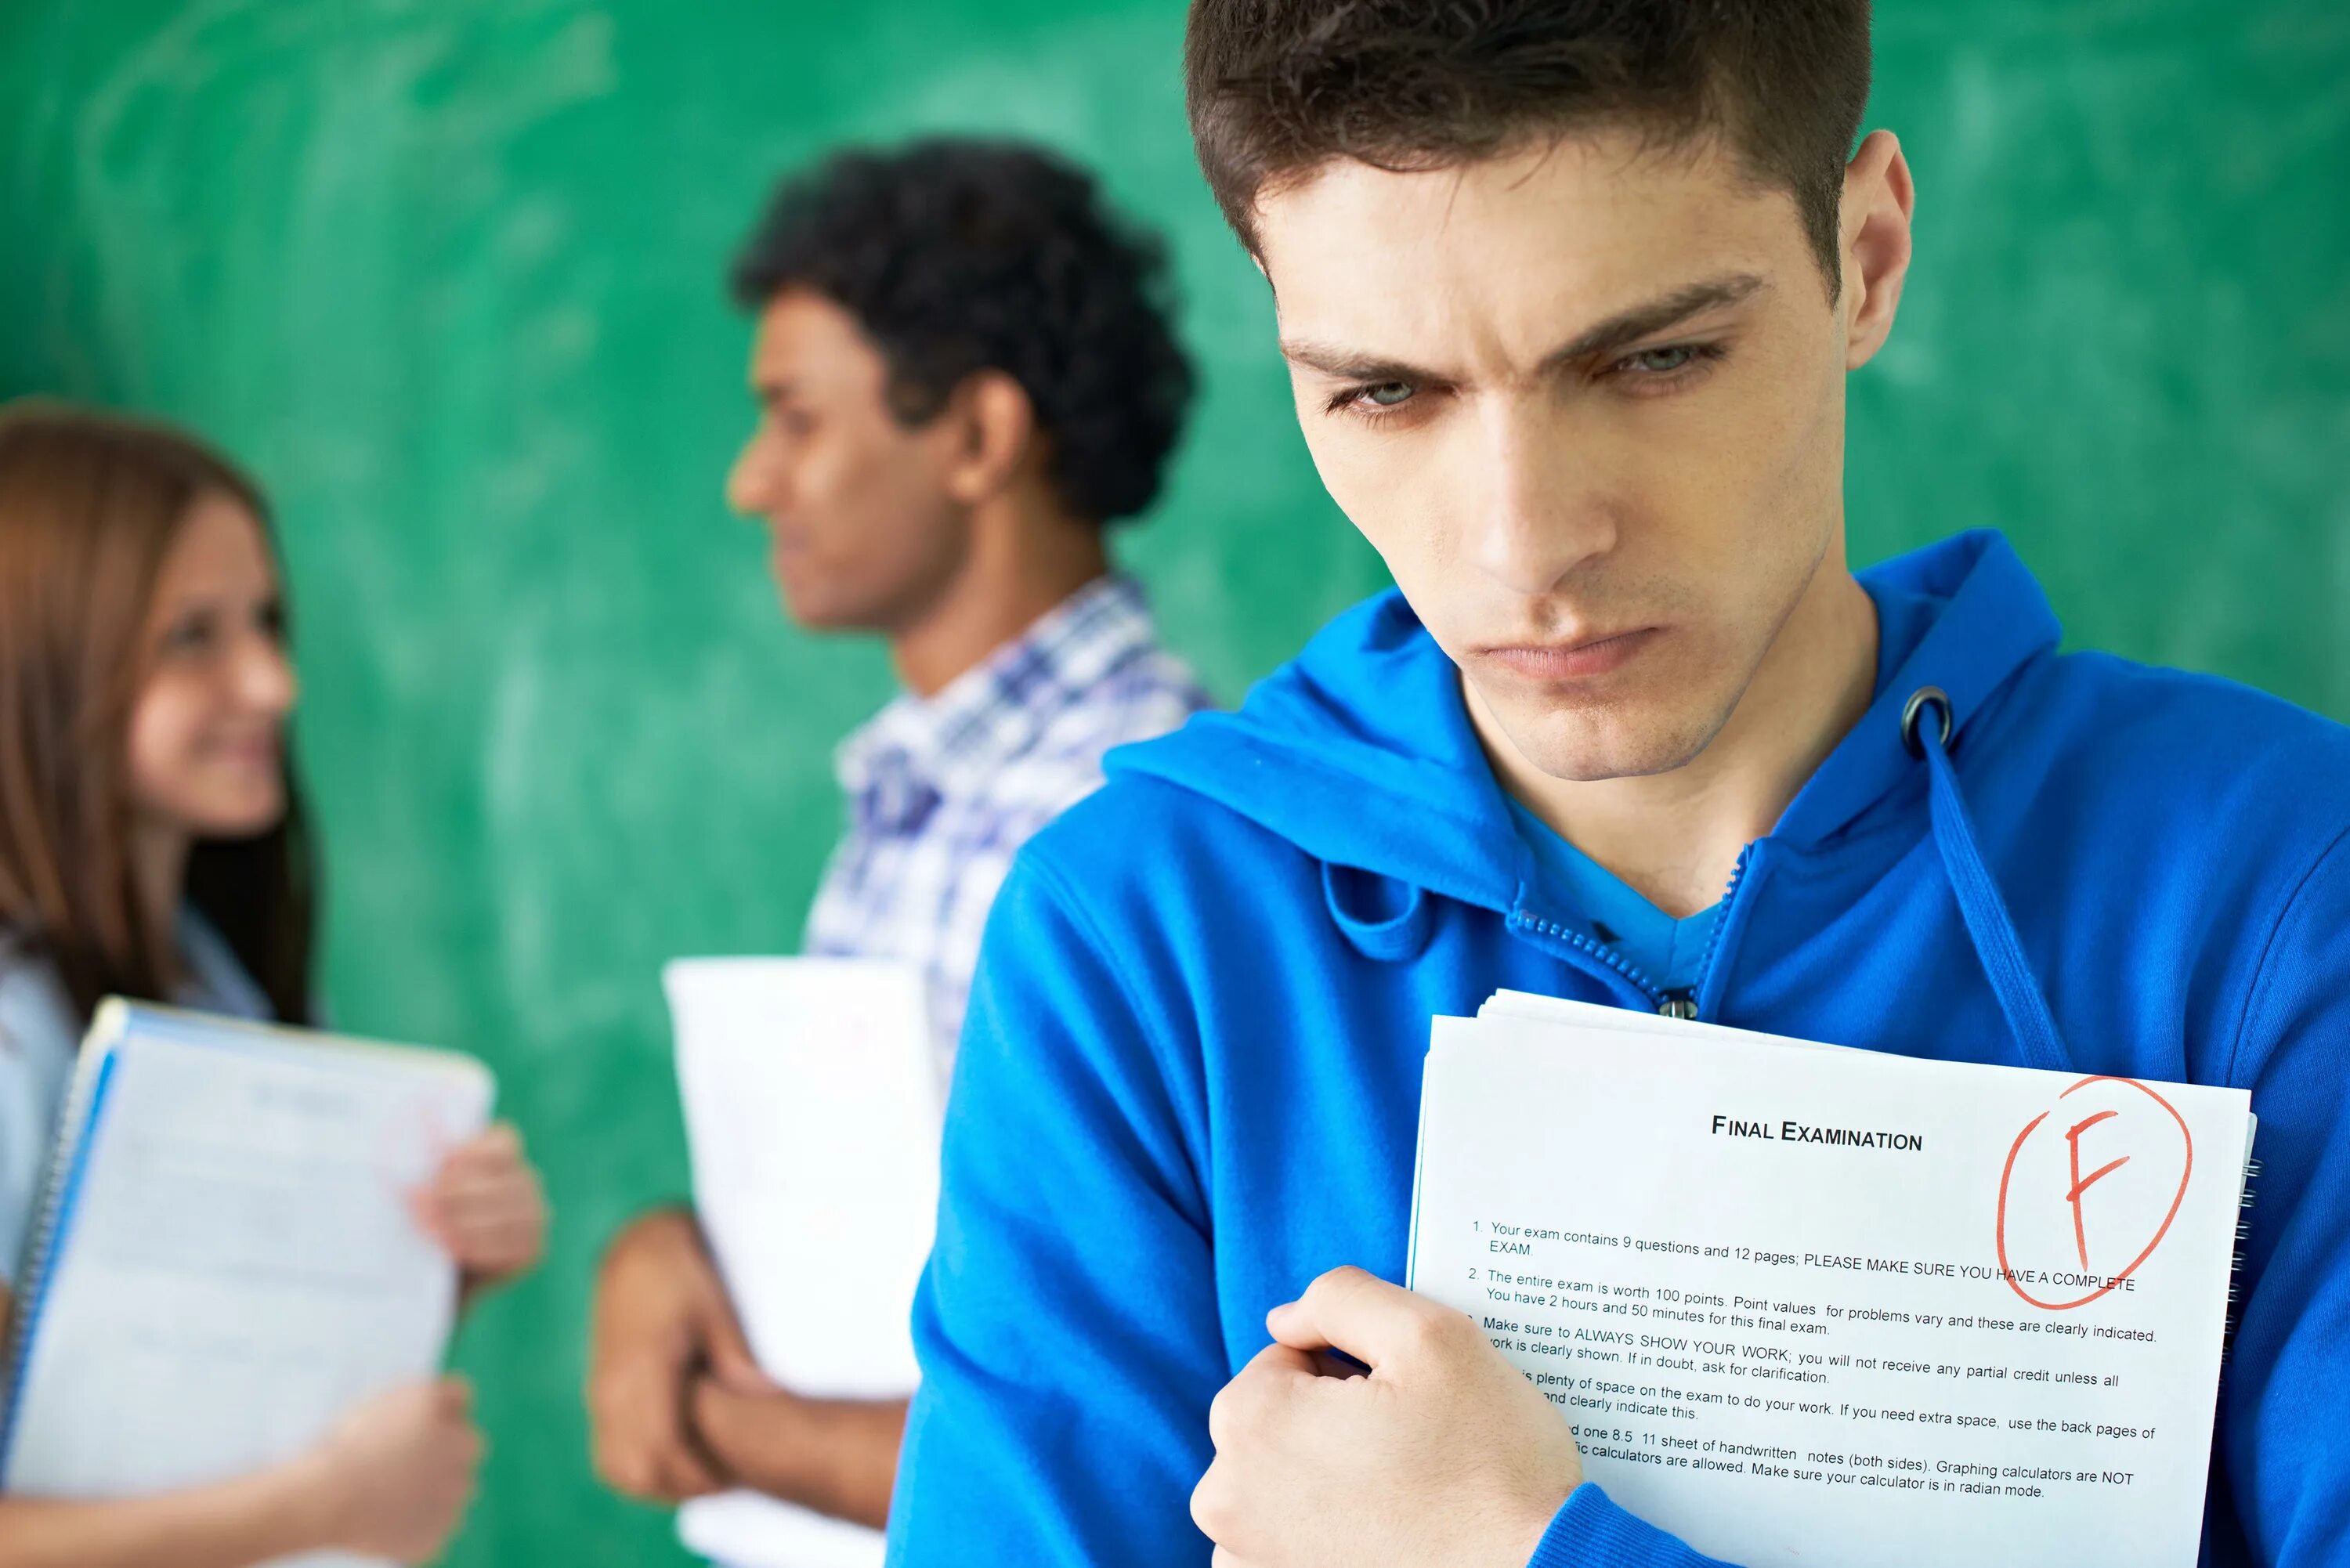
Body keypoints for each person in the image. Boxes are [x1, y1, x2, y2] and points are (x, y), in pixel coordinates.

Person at [882, 3, 2350, 1565]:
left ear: (1864, 254)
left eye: (1655, 358)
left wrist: (1521, 1548)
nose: (1524, 548)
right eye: (1386, 391)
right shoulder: (1143, 935)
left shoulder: (2272, 876)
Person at [586, 139, 1209, 1532]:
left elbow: (1144, 1435)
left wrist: (713, 1417)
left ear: (980, 437)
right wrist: (661, 1247)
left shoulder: (1131, 826)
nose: (754, 482)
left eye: (797, 418)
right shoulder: (919, 793)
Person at [0, 401, 549, 1568]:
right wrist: (326, 1508)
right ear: (41, 666)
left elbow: (168, 1388)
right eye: (191, 637)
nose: (272, 681)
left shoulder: (215, 973)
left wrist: (431, 1267)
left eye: (266, 620)